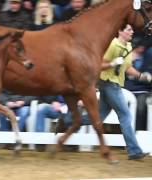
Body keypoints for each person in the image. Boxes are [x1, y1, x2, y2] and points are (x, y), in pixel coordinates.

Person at [63, 24, 150, 160]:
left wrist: (141, 76)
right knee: (125, 116)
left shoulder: (127, 46)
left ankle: (69, 120)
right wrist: (112, 64)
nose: (132, 32)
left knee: (99, 117)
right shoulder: (113, 45)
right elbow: (99, 65)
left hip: (112, 85)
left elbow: (127, 67)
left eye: (132, 30)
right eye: (128, 30)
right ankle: (134, 151)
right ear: (120, 32)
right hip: (109, 84)